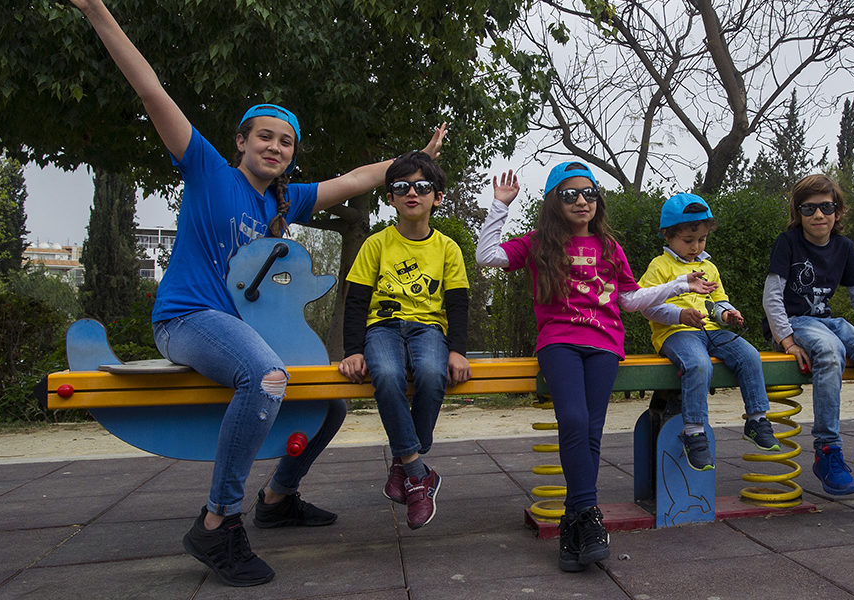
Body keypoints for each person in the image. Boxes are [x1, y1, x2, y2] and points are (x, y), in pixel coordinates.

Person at [67, 0, 447, 586]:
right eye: (264, 137)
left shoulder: (283, 201)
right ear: (241, 142)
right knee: (267, 376)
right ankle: (217, 521)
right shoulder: (207, 170)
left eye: (286, 142)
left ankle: (278, 498)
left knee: (330, 402)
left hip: (238, 328)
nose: (275, 147)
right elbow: (150, 90)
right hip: (187, 318)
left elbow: (353, 180)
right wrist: (96, 10)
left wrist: (412, 162)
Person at [476, 163, 717, 572]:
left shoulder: (609, 247)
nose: (581, 201)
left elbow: (630, 301)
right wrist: (501, 206)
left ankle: (575, 525)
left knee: (590, 430)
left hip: (604, 345)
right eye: (569, 194)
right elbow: (487, 256)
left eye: (589, 193)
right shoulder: (539, 243)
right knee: (573, 420)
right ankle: (588, 514)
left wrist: (680, 290)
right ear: (554, 201)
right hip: (559, 342)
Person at [337, 151, 470, 531]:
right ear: (390, 198)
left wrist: (457, 351)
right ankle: (417, 472)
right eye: (402, 186)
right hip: (382, 327)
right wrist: (353, 350)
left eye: (422, 186)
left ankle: (404, 463)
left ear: (437, 197)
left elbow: (458, 303)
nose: (412, 192)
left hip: (428, 329)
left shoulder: (447, 248)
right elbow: (356, 300)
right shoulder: (376, 244)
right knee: (387, 374)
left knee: (430, 372)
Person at [763, 174, 854, 496]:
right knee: (830, 351)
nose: (818, 215)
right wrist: (786, 340)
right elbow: (772, 295)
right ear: (798, 213)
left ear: (838, 211)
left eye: (826, 207)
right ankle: (828, 450)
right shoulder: (788, 242)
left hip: (827, 322)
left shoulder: (844, 247)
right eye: (809, 208)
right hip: (796, 323)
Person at [637, 193, 780, 471]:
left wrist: (727, 314)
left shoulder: (708, 267)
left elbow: (718, 301)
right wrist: (680, 315)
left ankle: (757, 419)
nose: (695, 246)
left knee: (750, 355)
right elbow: (646, 305)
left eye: (701, 239)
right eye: (688, 240)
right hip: (676, 332)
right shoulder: (660, 266)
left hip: (711, 331)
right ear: (668, 235)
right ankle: (694, 432)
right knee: (699, 363)